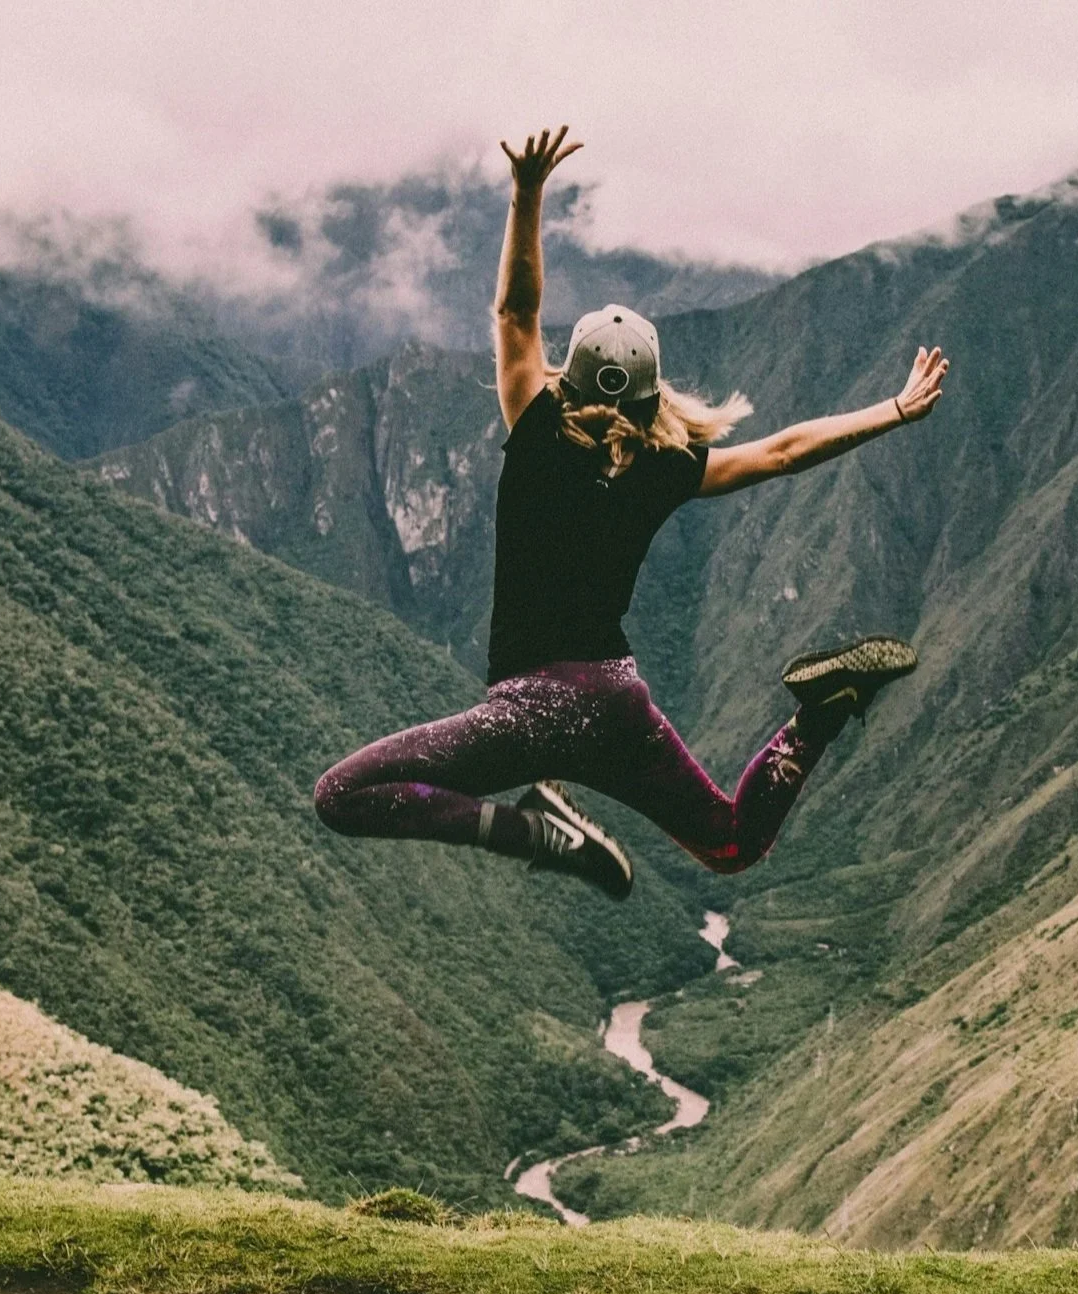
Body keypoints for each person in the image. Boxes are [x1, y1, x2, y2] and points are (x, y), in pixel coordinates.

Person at [313, 126, 948, 898]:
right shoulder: (666, 465)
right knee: (730, 842)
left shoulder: (539, 429)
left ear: (568, 377)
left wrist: (527, 192)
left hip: (530, 711)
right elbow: (783, 451)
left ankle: (533, 832)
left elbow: (516, 311)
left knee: (342, 796)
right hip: (617, 703)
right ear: (654, 393)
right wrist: (894, 409)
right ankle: (817, 716)